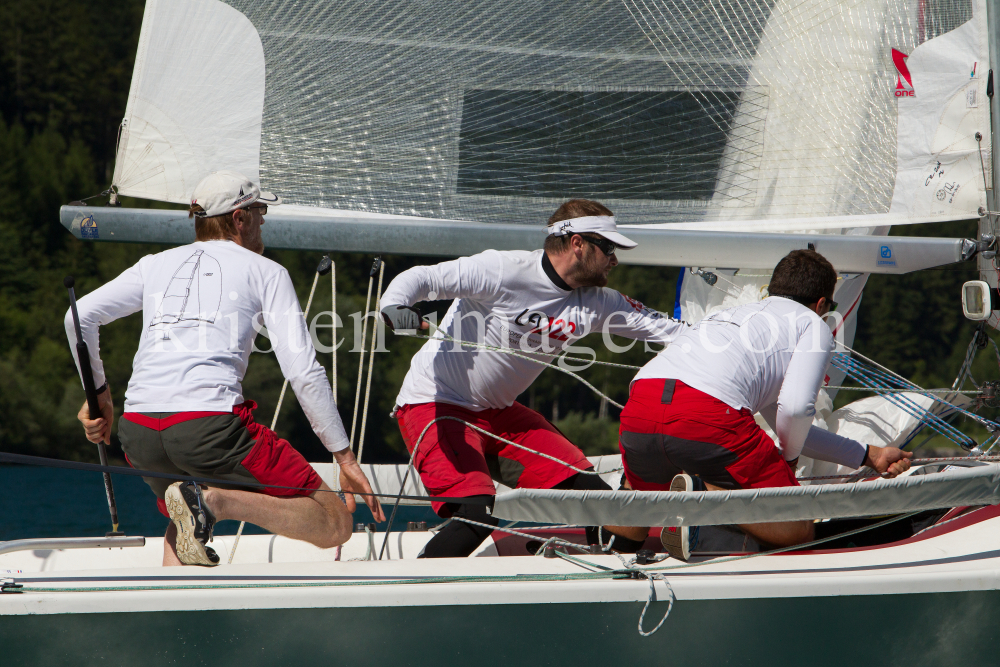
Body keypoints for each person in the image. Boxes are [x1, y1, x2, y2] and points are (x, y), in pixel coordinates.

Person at [68, 170, 384, 567]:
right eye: (260, 210)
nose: (264, 219)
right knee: (334, 521)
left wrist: (99, 397)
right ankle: (216, 500)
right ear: (240, 218)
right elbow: (303, 371)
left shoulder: (153, 265)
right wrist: (345, 458)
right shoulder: (266, 271)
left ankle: (178, 618)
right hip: (210, 426)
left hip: (139, 430)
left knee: (186, 513)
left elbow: (78, 318)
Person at [379, 199, 687, 557]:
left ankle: (609, 574)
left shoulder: (598, 302)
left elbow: (674, 331)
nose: (615, 260)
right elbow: (422, 278)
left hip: (499, 415)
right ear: (578, 244)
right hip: (434, 404)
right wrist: (394, 306)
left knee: (597, 499)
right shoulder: (503, 270)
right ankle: (413, 597)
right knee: (476, 513)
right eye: (608, 249)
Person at [617, 249, 912, 560]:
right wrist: (789, 459)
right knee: (798, 528)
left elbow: (788, 422)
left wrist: (869, 455)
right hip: (707, 413)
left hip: (641, 405)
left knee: (643, 505)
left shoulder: (729, 317)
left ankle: (617, 539)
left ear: (773, 290)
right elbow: (796, 410)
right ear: (822, 304)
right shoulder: (812, 324)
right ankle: (703, 492)